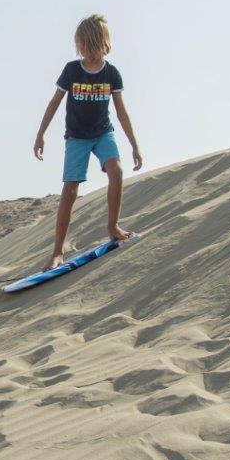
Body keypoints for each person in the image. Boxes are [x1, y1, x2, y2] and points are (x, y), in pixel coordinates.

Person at [33, 14, 143, 270]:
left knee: (116, 170)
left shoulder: (111, 73)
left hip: (103, 133)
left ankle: (113, 226)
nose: (87, 53)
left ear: (102, 44)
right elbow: (54, 103)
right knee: (70, 190)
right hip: (76, 138)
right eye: (83, 47)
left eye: (91, 47)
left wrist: (134, 145)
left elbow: (121, 112)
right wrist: (40, 134)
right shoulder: (72, 70)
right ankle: (57, 252)